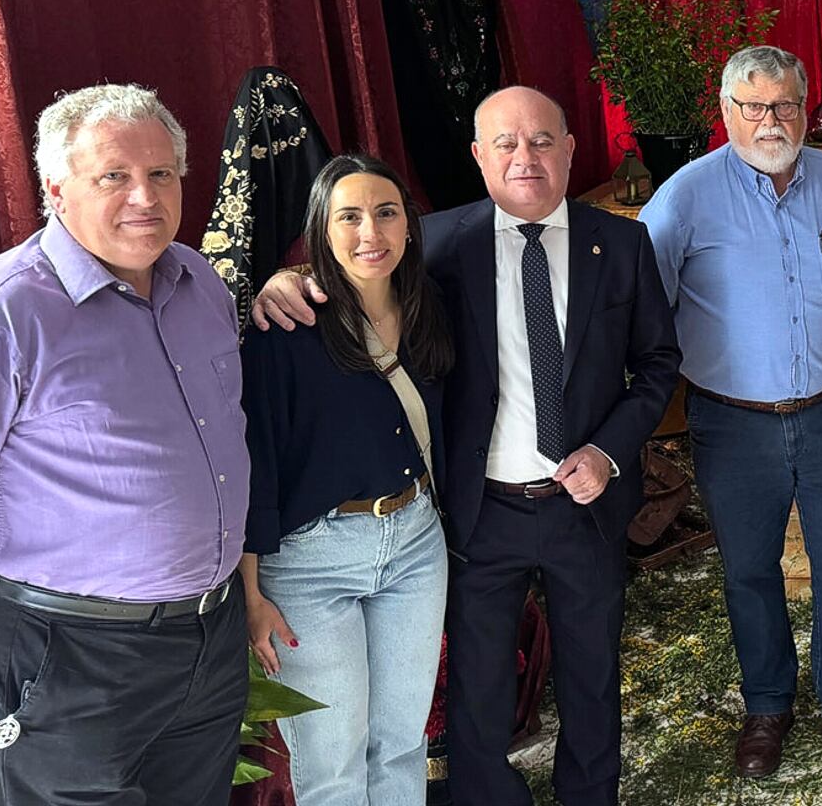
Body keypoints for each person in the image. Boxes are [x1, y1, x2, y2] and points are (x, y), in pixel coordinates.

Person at [253, 86, 681, 806]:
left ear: (572, 149)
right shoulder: (438, 243)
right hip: (479, 512)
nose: (527, 157)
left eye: (543, 140)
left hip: (586, 507)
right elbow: (359, 276)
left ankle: (589, 795)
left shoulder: (624, 244)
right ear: (479, 157)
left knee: (591, 670)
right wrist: (284, 280)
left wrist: (607, 451)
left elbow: (659, 365)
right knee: (479, 681)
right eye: (506, 144)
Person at [637, 45, 822, 779]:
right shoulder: (684, 197)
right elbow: (646, 305)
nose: (770, 120)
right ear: (726, 112)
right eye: (753, 106)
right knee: (750, 573)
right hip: (731, 424)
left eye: (785, 104)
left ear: (805, 105)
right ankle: (768, 707)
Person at [0, 84, 249, 804]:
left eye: (161, 173)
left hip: (208, 637)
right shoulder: (4, 310)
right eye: (114, 176)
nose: (145, 196)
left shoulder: (202, 284)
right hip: (68, 651)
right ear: (56, 187)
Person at [241, 154, 453, 804]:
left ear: (410, 225)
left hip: (416, 545)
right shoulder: (286, 327)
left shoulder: (428, 305)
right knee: (332, 763)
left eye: (386, 212)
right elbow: (258, 463)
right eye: (350, 216)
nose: (371, 233)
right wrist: (251, 595)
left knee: (401, 741)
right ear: (321, 230)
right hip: (311, 565)